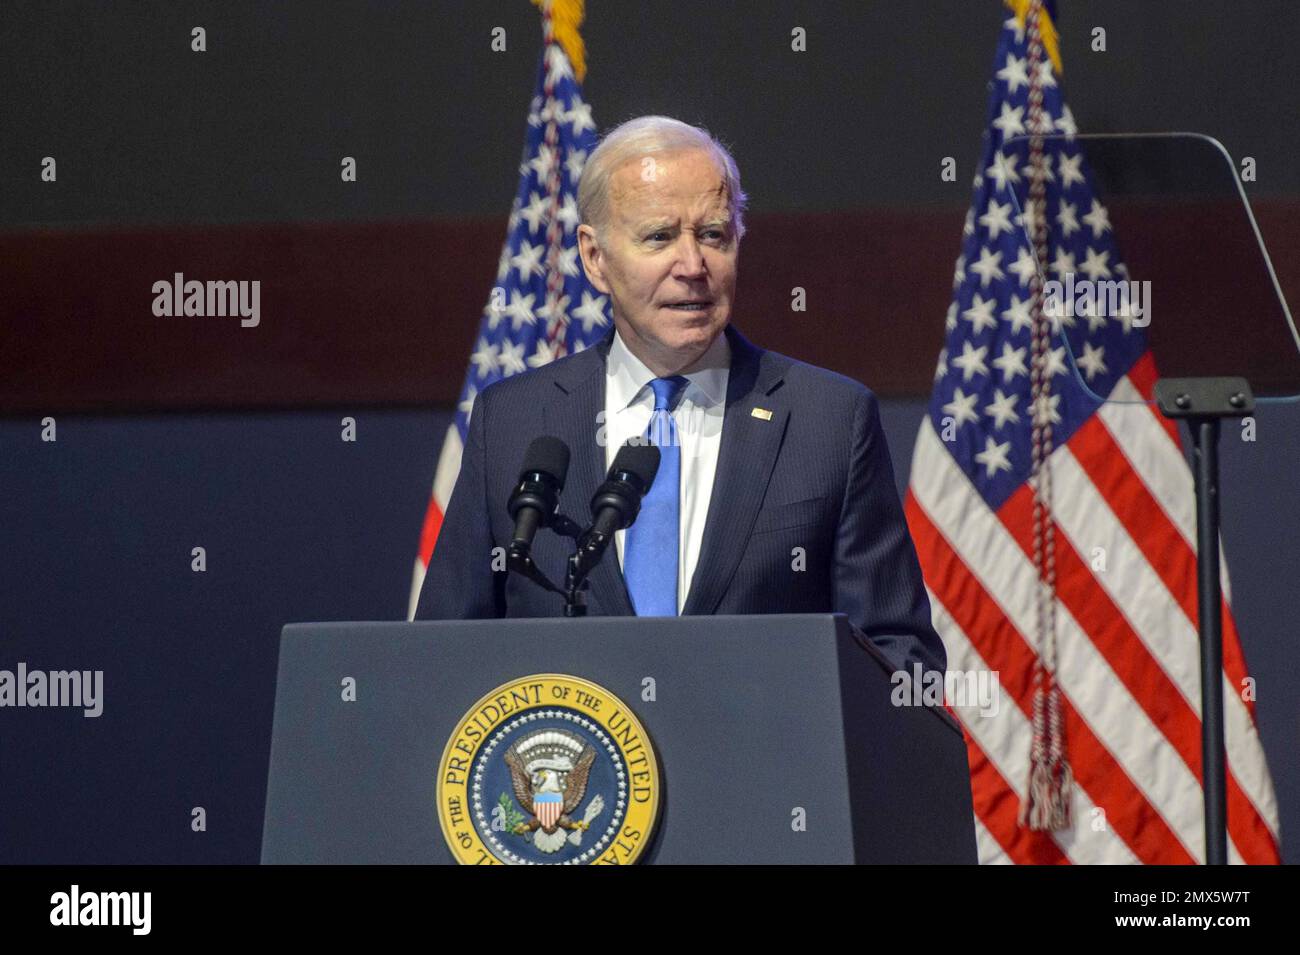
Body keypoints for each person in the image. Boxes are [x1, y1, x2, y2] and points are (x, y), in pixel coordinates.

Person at [415, 115, 946, 677]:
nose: (693, 267)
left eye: (713, 235)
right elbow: (442, 657)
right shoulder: (513, 421)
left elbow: (899, 657)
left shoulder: (829, 420)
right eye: (659, 237)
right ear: (595, 258)